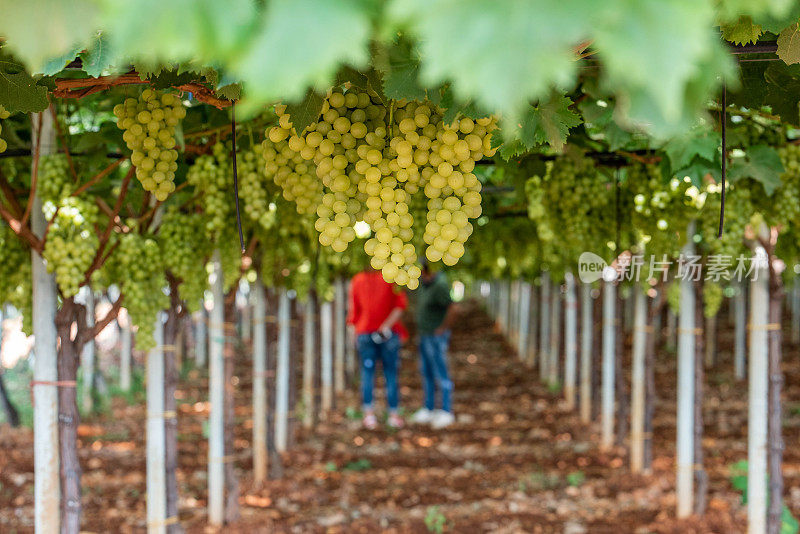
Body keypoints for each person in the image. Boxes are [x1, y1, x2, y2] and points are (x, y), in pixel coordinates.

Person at [347, 267, 408, 430]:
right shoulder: (391, 276)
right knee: (391, 373)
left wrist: (353, 335)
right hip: (388, 334)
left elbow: (354, 312)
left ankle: (369, 416)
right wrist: (385, 326)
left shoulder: (357, 279)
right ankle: (393, 416)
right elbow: (400, 306)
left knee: (367, 373)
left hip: (365, 333)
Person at [410, 261, 457, 429]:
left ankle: (446, 411)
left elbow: (452, 308)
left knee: (441, 372)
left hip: (436, 337)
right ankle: (429, 408)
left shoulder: (440, 285)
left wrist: (443, 328)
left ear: (425, 270)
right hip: (425, 335)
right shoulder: (424, 284)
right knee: (427, 372)